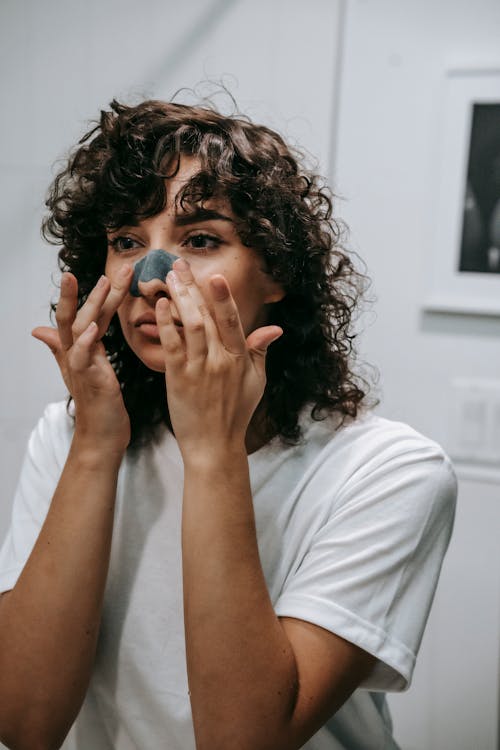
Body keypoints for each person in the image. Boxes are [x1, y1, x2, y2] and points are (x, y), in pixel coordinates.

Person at [0, 98, 457, 750]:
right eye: (127, 242)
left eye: (201, 239)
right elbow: (24, 721)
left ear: (276, 272)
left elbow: (244, 740)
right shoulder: (73, 435)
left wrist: (212, 449)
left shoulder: (389, 472)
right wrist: (96, 448)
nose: (151, 278)